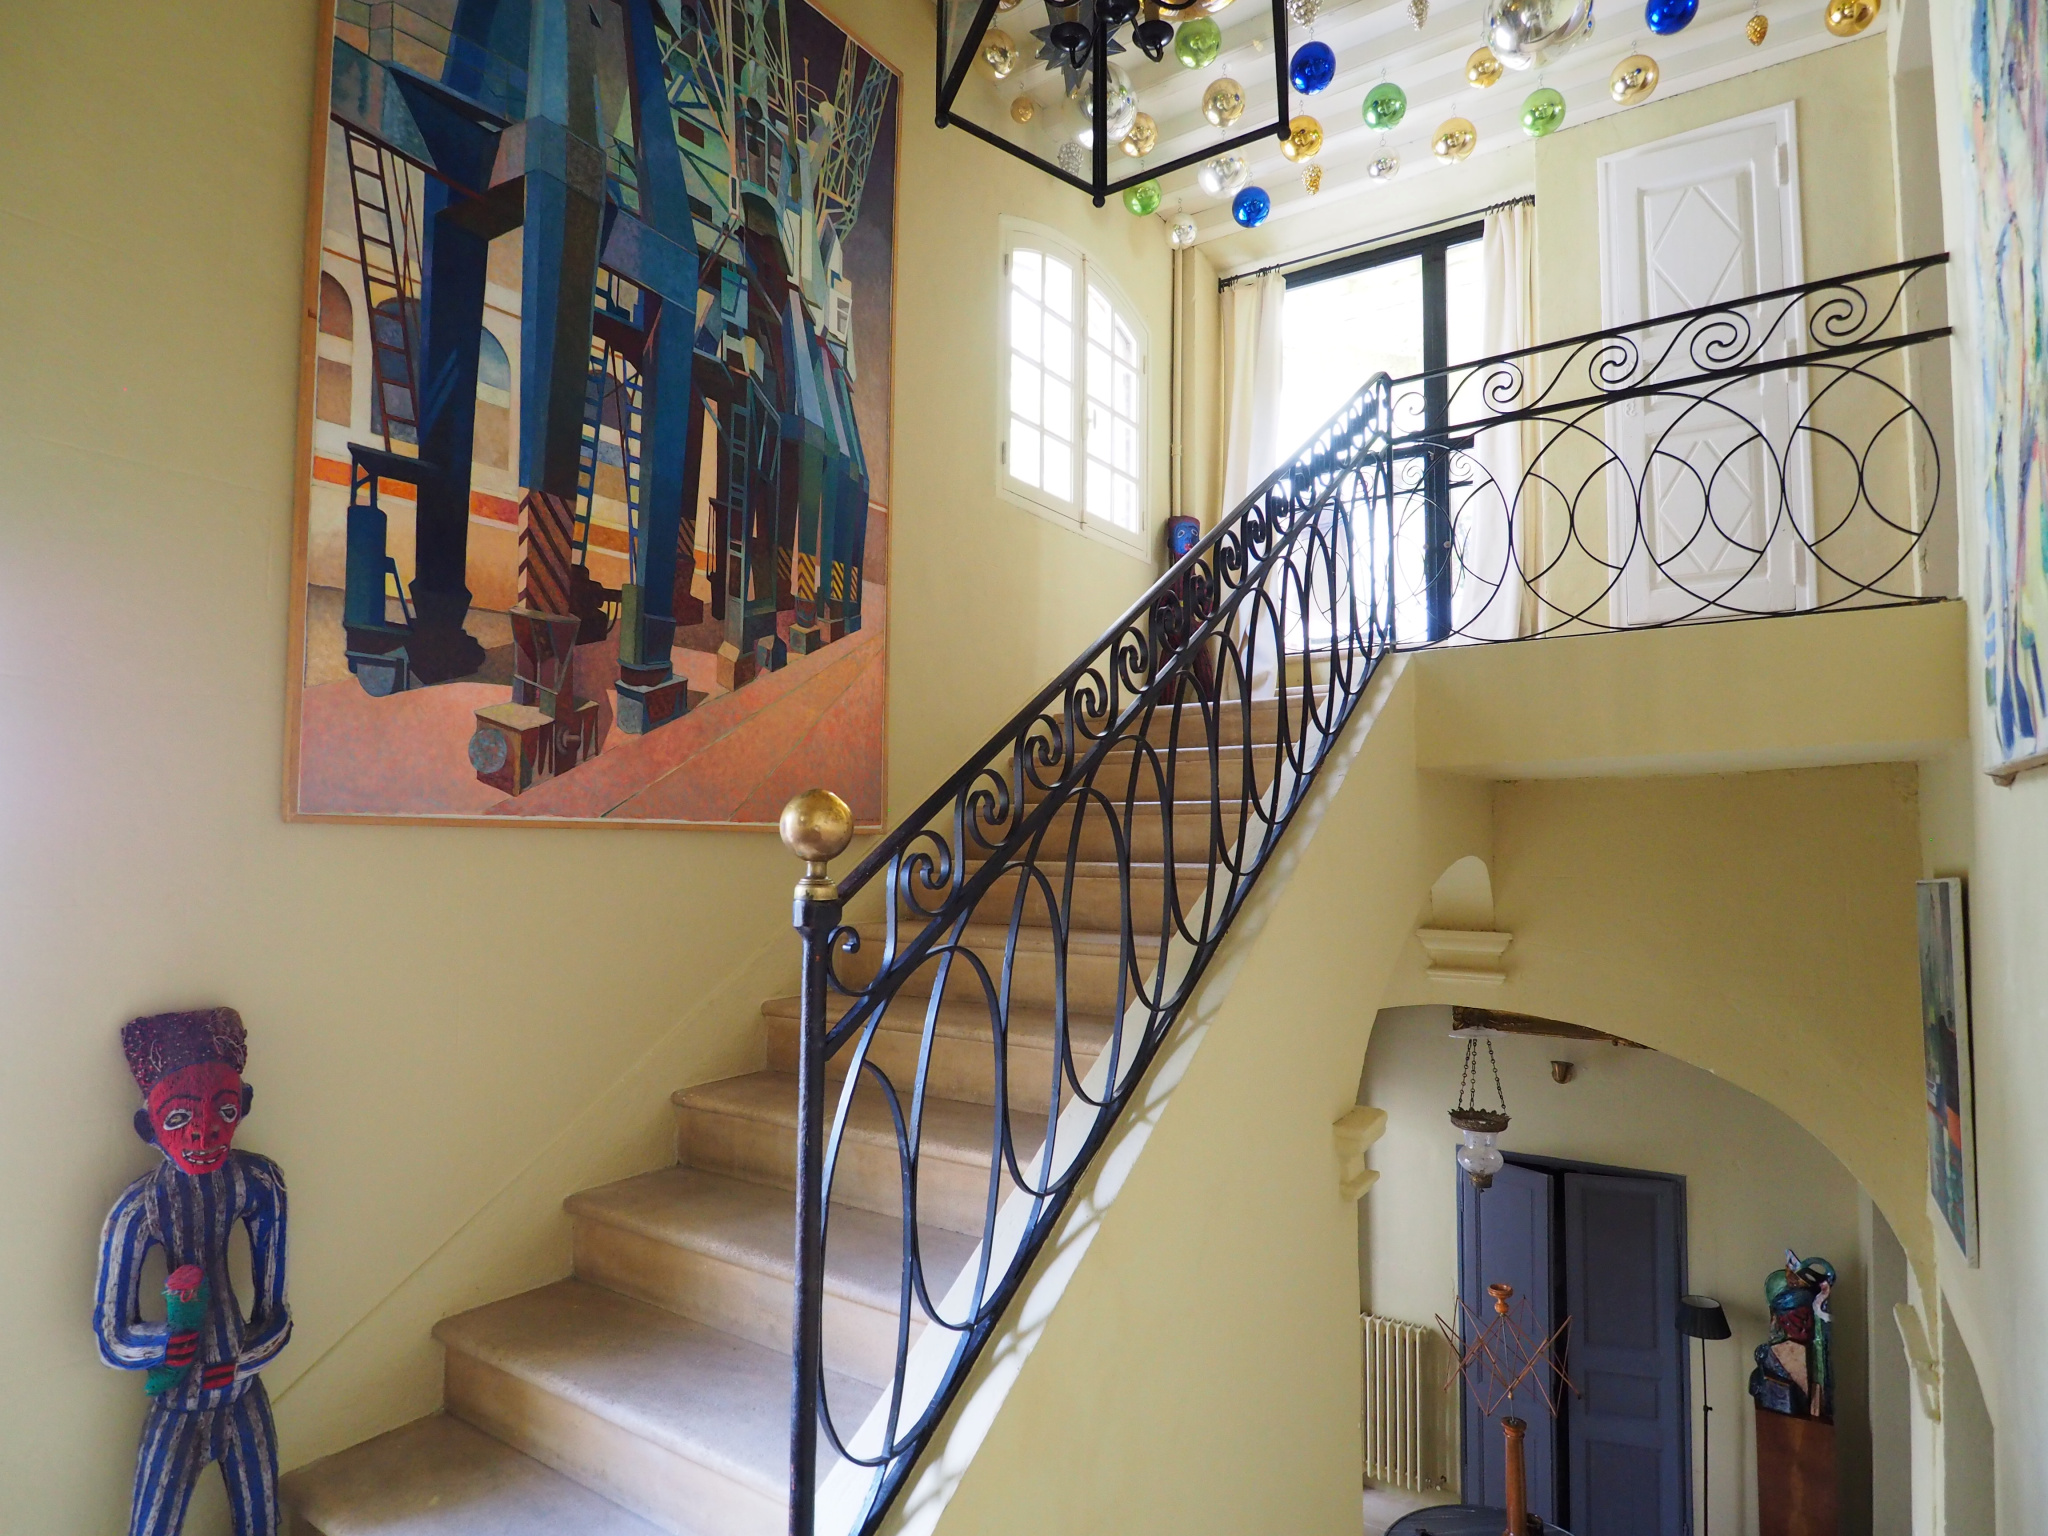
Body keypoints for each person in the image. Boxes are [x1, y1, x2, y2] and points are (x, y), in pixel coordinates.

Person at [94, 1007, 290, 1536]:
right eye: (179, 1117)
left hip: (243, 1394)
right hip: (177, 1404)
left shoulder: (260, 1182)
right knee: (152, 1523)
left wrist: (236, 1363)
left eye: (224, 1110)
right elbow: (113, 1338)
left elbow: (277, 1316)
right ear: (148, 1127)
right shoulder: (138, 1209)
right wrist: (175, 1343)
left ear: (244, 1105)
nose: (205, 1132)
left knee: (263, 1517)